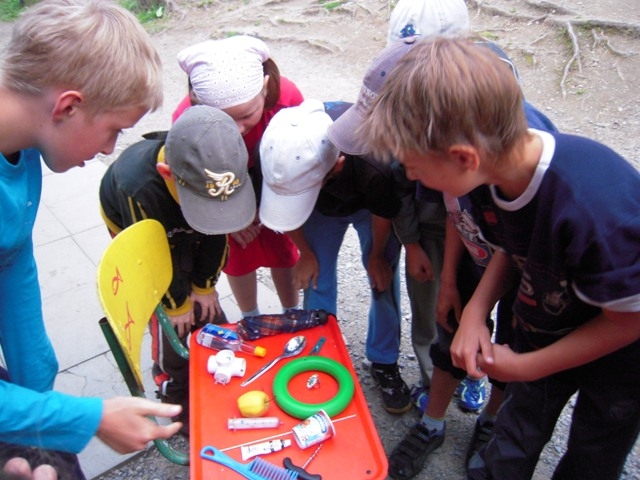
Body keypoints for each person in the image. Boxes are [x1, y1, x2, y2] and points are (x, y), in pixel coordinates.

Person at [363, 36, 640, 480]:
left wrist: (527, 365)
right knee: (512, 440)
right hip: (544, 328)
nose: (411, 176)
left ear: (463, 158)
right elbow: (513, 246)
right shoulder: (493, 179)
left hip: (621, 355)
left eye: (414, 167)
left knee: (593, 454)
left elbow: (628, 320)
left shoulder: (592, 207)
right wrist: (476, 310)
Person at [0, 1, 182, 478]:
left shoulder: (21, 148)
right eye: (113, 130)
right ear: (68, 106)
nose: (108, 149)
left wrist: (36, 385)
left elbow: (13, 255)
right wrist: (87, 418)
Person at [99, 105, 256, 435]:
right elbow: (145, 257)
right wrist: (175, 305)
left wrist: (204, 286)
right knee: (171, 322)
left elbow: (217, 232)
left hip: (183, 219)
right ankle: (175, 395)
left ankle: (214, 362)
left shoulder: (222, 170)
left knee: (204, 301)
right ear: (167, 173)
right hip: (139, 230)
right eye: (205, 204)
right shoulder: (136, 188)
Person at [259, 99, 412, 414]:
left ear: (337, 165)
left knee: (382, 278)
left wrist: (377, 256)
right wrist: (305, 252)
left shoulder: (374, 160)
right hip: (320, 211)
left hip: (370, 205)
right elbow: (285, 210)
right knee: (315, 277)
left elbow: (383, 211)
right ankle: (320, 355)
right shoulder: (278, 152)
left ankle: (384, 361)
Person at [385, 0, 488, 414]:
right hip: (427, 226)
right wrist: (410, 243)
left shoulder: (490, 88)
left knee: (471, 306)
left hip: (475, 232)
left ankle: (475, 374)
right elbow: (397, 180)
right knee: (429, 309)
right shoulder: (395, 93)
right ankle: (433, 378)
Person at [172, 35, 301, 319]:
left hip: (273, 182)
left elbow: (297, 161)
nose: (238, 129)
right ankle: (251, 318)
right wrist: (231, 223)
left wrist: (270, 209)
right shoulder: (186, 122)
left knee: (283, 249)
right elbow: (197, 183)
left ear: (265, 88)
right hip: (224, 190)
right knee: (239, 255)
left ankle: (292, 313)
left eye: (246, 115)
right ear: (197, 102)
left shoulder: (288, 100)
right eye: (225, 120)